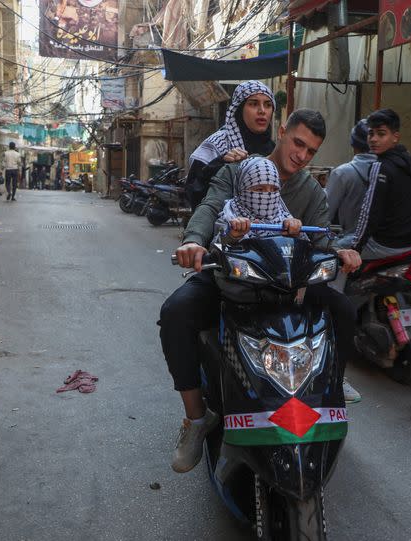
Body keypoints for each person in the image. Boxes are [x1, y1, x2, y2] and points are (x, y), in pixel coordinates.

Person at [160, 109, 362, 474]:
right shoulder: (237, 169)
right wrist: (194, 242)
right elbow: (209, 209)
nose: (301, 155)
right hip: (231, 278)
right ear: (282, 132)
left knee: (343, 312)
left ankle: (330, 387)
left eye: (311, 151)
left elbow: (322, 238)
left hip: (289, 285)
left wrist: (339, 253)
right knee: (176, 312)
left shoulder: (311, 192)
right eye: (298, 143)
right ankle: (196, 418)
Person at [351, 109, 411, 261]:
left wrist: (355, 248)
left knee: (337, 251)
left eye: (381, 134)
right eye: (370, 134)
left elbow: (369, 212)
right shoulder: (409, 161)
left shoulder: (380, 166)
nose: (374, 139)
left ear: (395, 137)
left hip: (389, 246)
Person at [185, 81, 276, 211]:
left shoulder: (272, 150)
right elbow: (192, 191)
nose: (262, 111)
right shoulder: (218, 143)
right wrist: (220, 163)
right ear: (239, 108)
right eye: (253, 104)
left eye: (268, 105)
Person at [325, 119, 377, 247]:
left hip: (352, 242)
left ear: (353, 144)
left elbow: (324, 214)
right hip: (384, 245)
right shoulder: (387, 169)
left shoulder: (342, 173)